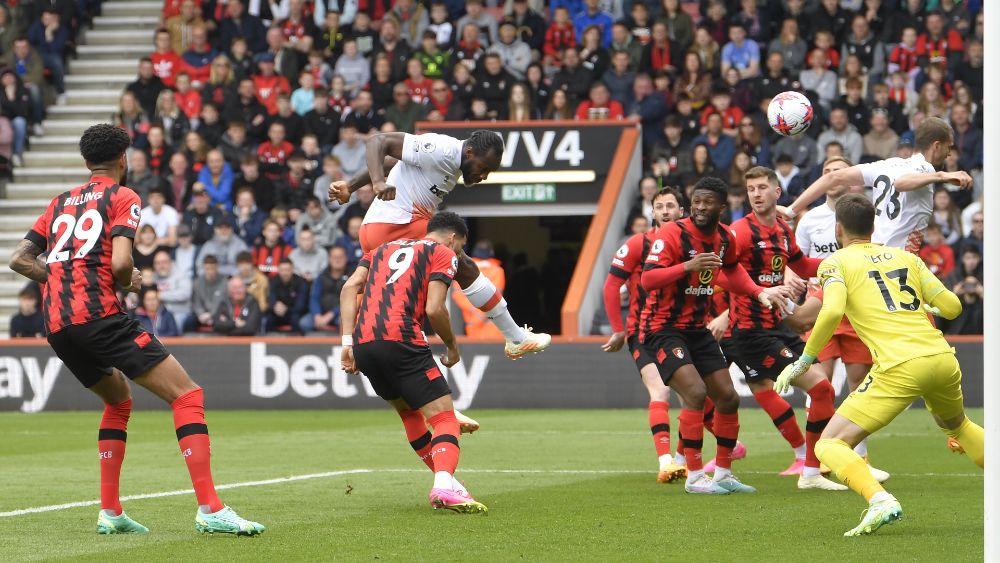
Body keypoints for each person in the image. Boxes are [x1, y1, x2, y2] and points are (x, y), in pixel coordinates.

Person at [7, 123, 263, 535]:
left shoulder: (59, 203)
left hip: (57, 323)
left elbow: (19, 259)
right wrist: (128, 283)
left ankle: (110, 511)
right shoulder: (123, 195)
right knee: (188, 395)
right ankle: (211, 509)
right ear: (123, 159)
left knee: (119, 401)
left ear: (86, 160)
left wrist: (61, 278)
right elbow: (122, 264)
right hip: (100, 316)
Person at [775, 194, 984, 537]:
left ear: (838, 228)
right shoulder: (906, 257)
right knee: (958, 426)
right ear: (873, 227)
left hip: (900, 366)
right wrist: (927, 307)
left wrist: (805, 359)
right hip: (942, 358)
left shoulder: (835, 262)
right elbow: (953, 307)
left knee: (828, 445)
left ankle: (880, 500)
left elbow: (830, 311)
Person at [328, 130, 551, 362]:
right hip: (397, 225)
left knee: (379, 288)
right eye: (483, 168)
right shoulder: (439, 150)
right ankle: (515, 338)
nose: (484, 176)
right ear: (470, 152)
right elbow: (378, 141)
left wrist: (351, 186)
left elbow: (392, 163)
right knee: (462, 264)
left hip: (376, 230)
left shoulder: (450, 160)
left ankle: (353, 346)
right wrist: (377, 183)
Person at [638, 176, 787, 494]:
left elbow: (732, 270)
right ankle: (693, 476)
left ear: (722, 205)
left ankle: (722, 473)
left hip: (697, 330)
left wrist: (759, 292)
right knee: (694, 393)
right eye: (696, 202)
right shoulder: (672, 233)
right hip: (663, 329)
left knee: (729, 397)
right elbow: (648, 280)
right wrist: (687, 267)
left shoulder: (724, 237)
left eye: (708, 202)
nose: (701, 207)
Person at [339, 212, 487, 513]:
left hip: (364, 342)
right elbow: (435, 309)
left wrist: (346, 343)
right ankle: (444, 485)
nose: (458, 254)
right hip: (402, 337)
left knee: (409, 414)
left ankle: (447, 483)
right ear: (453, 238)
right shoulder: (443, 252)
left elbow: (348, 288)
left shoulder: (380, 250)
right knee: (445, 418)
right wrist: (452, 346)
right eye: (460, 247)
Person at [720, 166, 845, 490]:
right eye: (751, 189)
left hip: (777, 326)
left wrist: (843, 261)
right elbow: (722, 274)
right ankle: (811, 470)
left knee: (824, 390)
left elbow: (802, 265)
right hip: (751, 332)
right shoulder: (740, 232)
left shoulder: (781, 231)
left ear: (778, 192)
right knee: (820, 389)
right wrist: (760, 291)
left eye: (762, 188)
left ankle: (811, 469)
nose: (757, 194)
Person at [601, 187, 688, 483]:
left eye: (670, 206)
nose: (665, 211)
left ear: (681, 211)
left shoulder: (692, 243)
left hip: (684, 330)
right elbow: (612, 286)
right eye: (659, 206)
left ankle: (682, 459)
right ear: (652, 212)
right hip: (644, 331)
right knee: (661, 391)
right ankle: (666, 462)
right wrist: (617, 329)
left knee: (696, 397)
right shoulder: (639, 243)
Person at [786, 117, 972, 250]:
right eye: (949, 147)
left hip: (872, 253)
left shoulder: (885, 165)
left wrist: (791, 210)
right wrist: (942, 176)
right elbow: (901, 183)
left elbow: (832, 178)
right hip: (896, 260)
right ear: (936, 145)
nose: (949, 154)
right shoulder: (926, 169)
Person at [301, 245, 349, 333]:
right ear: (329, 259)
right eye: (334, 257)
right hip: (321, 313)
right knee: (304, 323)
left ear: (346, 258)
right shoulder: (321, 276)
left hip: (341, 315)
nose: (337, 260)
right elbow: (314, 298)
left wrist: (331, 314)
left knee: (345, 324)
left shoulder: (352, 277)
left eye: (340, 257)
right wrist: (317, 315)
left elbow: (350, 301)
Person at [152, 250, 193, 330]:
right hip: (158, 313)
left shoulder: (181, 274)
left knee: (173, 324)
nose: (161, 266)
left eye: (164, 262)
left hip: (178, 312)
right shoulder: (153, 277)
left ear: (171, 262)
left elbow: (185, 294)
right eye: (158, 263)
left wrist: (161, 295)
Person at [265, 258, 308, 333]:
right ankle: (271, 342)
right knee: (269, 319)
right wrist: (275, 306)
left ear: (292, 269)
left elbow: (300, 306)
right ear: (278, 270)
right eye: (282, 270)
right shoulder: (273, 281)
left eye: (287, 270)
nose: (285, 273)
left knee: (296, 319)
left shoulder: (300, 282)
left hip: (294, 313)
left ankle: (297, 342)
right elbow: (270, 300)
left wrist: (286, 309)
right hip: (277, 312)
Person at [188, 255, 227, 332]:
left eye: (213, 268)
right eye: (208, 269)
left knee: (224, 320)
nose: (210, 272)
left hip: (219, 314)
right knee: (189, 322)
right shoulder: (197, 283)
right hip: (201, 315)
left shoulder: (224, 281)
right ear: (203, 268)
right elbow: (196, 303)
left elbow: (222, 302)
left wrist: (210, 315)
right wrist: (201, 314)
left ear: (217, 267)